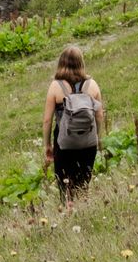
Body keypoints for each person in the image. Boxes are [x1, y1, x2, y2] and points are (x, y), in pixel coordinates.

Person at [42, 44, 105, 204]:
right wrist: (97, 138)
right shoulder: (93, 85)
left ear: (61, 63)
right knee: (83, 184)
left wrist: (47, 144)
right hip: (88, 142)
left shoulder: (56, 86)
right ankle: (84, 212)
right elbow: (99, 115)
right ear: (81, 62)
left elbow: (47, 120)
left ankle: (67, 210)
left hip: (64, 144)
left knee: (64, 184)